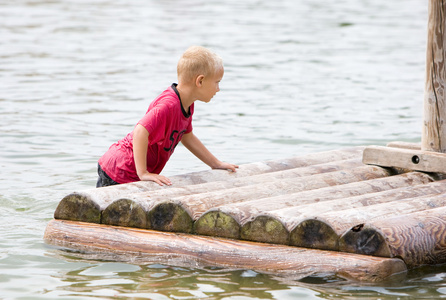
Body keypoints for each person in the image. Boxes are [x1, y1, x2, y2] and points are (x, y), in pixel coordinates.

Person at [96, 46, 238, 187]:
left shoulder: (187, 103)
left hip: (129, 171)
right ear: (200, 81)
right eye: (217, 82)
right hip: (120, 169)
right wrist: (143, 173)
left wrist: (215, 164)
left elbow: (187, 137)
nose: (218, 89)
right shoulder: (169, 105)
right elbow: (140, 131)